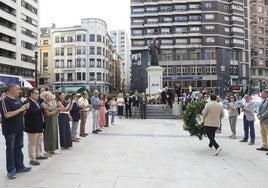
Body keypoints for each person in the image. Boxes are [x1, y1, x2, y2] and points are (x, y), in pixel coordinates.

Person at [0, 84, 31, 179]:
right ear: (11, 89)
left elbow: (21, 113)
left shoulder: (18, 100)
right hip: (10, 130)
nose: (19, 91)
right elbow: (6, 115)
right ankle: (11, 170)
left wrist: (25, 109)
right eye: (18, 89)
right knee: (10, 149)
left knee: (19, 148)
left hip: (19, 128)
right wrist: (21, 109)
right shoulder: (4, 100)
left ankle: (20, 166)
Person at [24, 88, 48, 166]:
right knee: (32, 143)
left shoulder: (37, 101)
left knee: (39, 141)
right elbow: (31, 113)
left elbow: (39, 110)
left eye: (38, 93)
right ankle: (32, 158)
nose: (38, 95)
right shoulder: (27, 102)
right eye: (36, 93)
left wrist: (44, 110)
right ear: (31, 94)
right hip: (32, 126)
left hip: (39, 125)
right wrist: (42, 109)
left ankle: (38, 154)